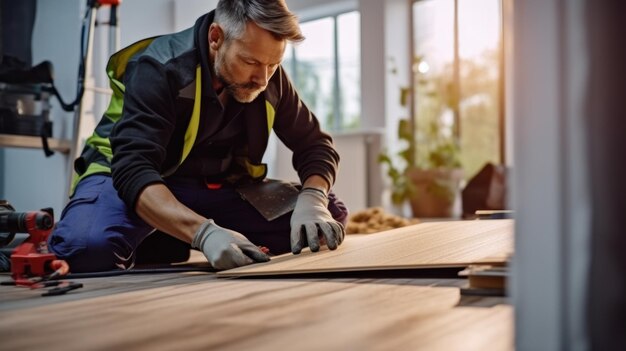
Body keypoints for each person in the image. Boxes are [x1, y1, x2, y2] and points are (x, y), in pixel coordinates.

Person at [48, 0, 348, 272]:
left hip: (213, 190)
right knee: (88, 248)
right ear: (216, 38)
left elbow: (314, 145)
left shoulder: (267, 76)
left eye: (274, 64)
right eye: (251, 62)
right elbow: (133, 169)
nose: (263, 78)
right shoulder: (159, 67)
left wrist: (314, 198)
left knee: (326, 220)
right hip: (132, 179)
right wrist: (202, 233)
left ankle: (165, 234)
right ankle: (165, 231)